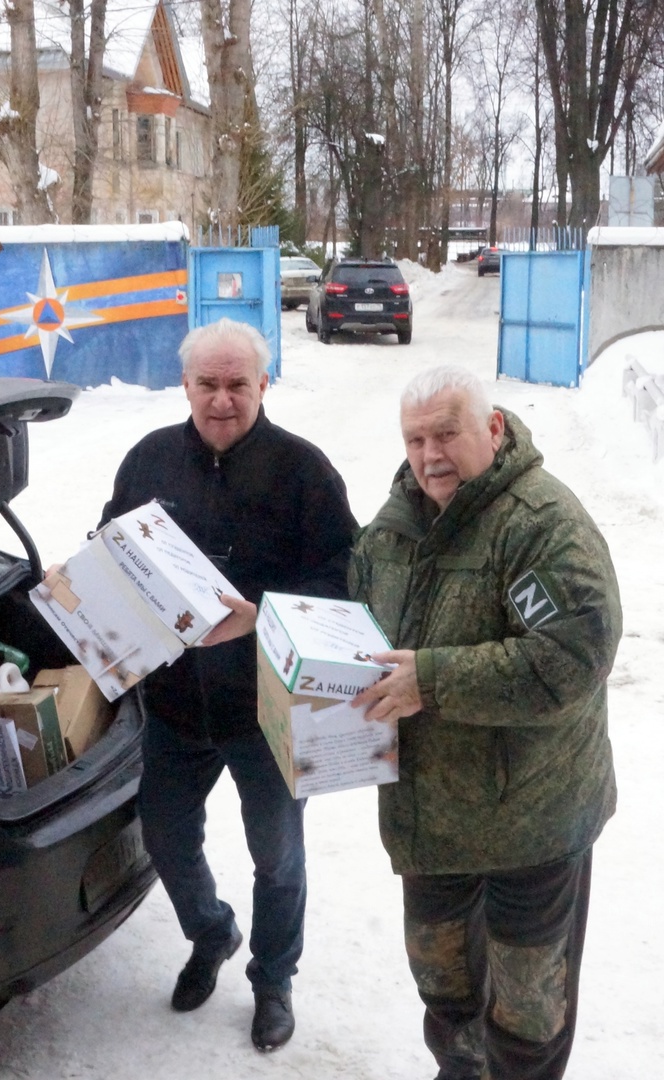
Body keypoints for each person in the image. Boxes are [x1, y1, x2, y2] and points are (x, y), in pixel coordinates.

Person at [349, 365, 621, 1080]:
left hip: (532, 823)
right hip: (430, 820)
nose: (430, 455)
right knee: (445, 987)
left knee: (528, 1011)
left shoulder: (540, 524)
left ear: (493, 428)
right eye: (415, 440)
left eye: (447, 434)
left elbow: (570, 658)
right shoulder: (395, 527)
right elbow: (354, 621)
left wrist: (431, 680)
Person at [98, 317, 357, 1052]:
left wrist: (259, 614)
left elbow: (343, 580)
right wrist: (84, 579)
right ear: (184, 385)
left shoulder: (304, 472)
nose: (221, 399)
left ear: (263, 385)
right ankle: (211, 932)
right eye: (207, 384)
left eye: (237, 384)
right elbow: (113, 542)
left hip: (265, 710)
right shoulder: (149, 460)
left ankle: (273, 979)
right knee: (165, 835)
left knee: (277, 855)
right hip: (175, 703)